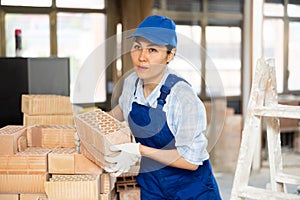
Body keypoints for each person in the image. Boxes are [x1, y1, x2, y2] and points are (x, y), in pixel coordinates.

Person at [104, 15, 222, 199]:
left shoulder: (183, 99)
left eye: (152, 50)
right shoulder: (131, 83)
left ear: (170, 55)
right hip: (152, 186)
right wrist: (93, 127)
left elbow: (190, 161)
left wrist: (140, 150)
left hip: (191, 190)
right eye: (137, 47)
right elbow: (121, 109)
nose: (142, 57)